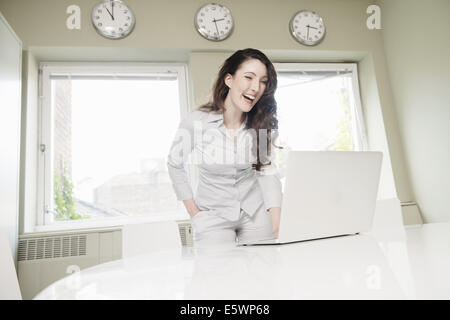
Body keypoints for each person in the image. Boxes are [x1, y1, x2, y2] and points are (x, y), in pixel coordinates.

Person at [167, 48, 282, 245]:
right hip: (212, 215)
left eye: (263, 81)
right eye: (248, 77)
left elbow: (267, 171)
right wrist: (194, 212)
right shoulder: (196, 121)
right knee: (217, 273)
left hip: (254, 211)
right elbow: (174, 164)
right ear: (229, 80)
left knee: (264, 270)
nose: (256, 87)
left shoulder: (261, 122)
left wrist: (276, 213)